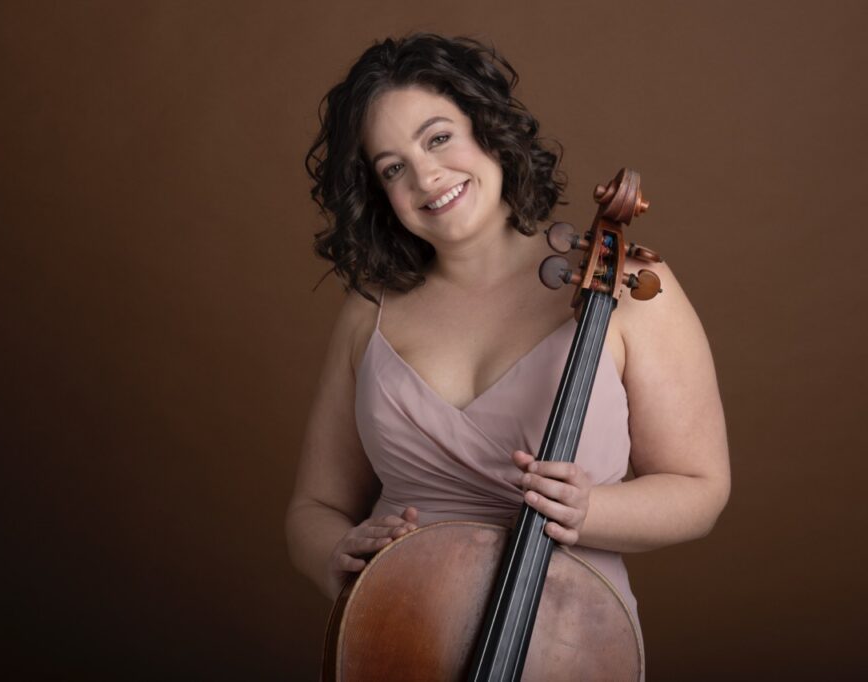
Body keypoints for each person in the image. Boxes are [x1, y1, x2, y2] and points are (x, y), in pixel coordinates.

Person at [284, 31, 730, 654]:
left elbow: (700, 487)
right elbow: (314, 506)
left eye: (438, 137)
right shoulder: (369, 311)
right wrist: (335, 552)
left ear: (488, 128)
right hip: (402, 640)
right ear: (379, 193)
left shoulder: (624, 287)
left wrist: (589, 512)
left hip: (567, 644)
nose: (427, 176)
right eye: (393, 168)